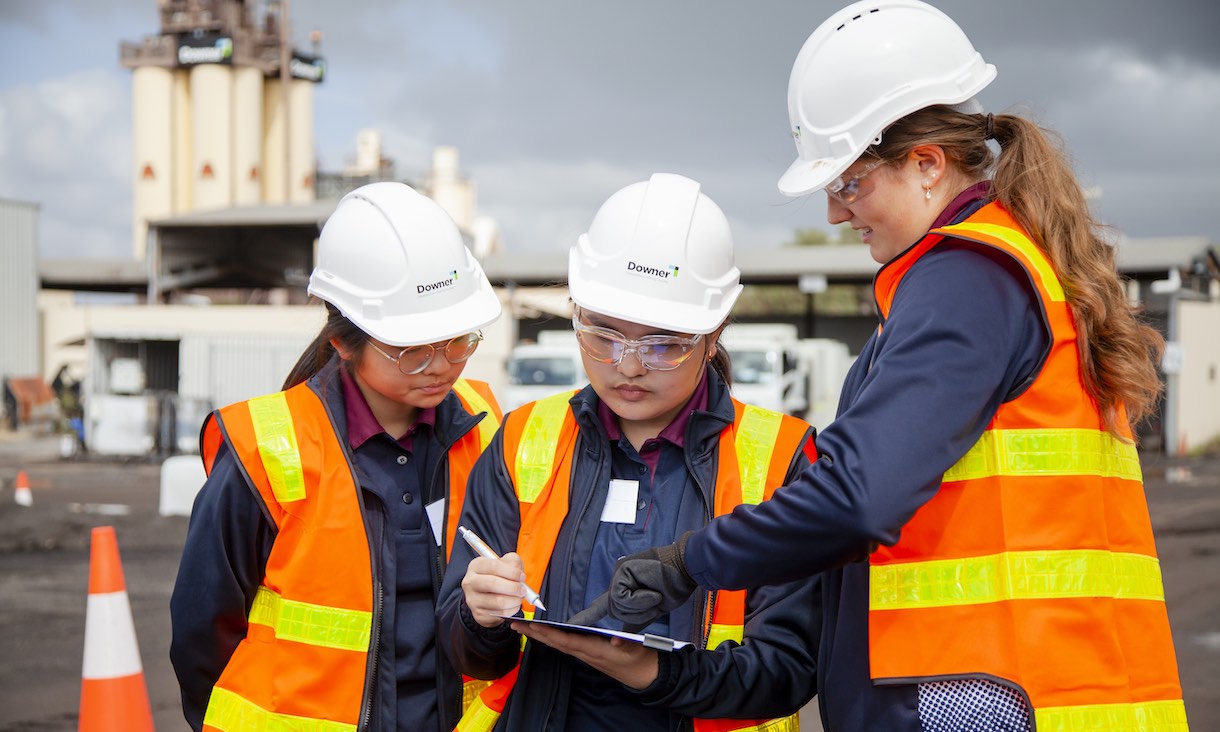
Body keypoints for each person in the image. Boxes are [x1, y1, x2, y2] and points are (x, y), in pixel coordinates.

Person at [585, 2, 1191, 731]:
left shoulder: (965, 281)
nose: (839, 213)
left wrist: (687, 561)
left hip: (985, 699)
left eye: (848, 183)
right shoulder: (1005, 271)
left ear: (927, 165)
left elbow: (860, 496)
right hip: (1030, 689)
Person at [437, 172, 820, 731]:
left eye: (663, 343)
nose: (629, 365)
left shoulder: (781, 458)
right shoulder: (525, 439)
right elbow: (467, 654)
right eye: (603, 335)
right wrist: (480, 618)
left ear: (714, 334)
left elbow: (790, 670)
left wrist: (653, 672)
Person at [170, 181, 505, 731]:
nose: (444, 364)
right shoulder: (267, 448)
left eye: (459, 340)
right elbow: (202, 634)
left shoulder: (484, 426)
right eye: (414, 349)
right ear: (345, 341)